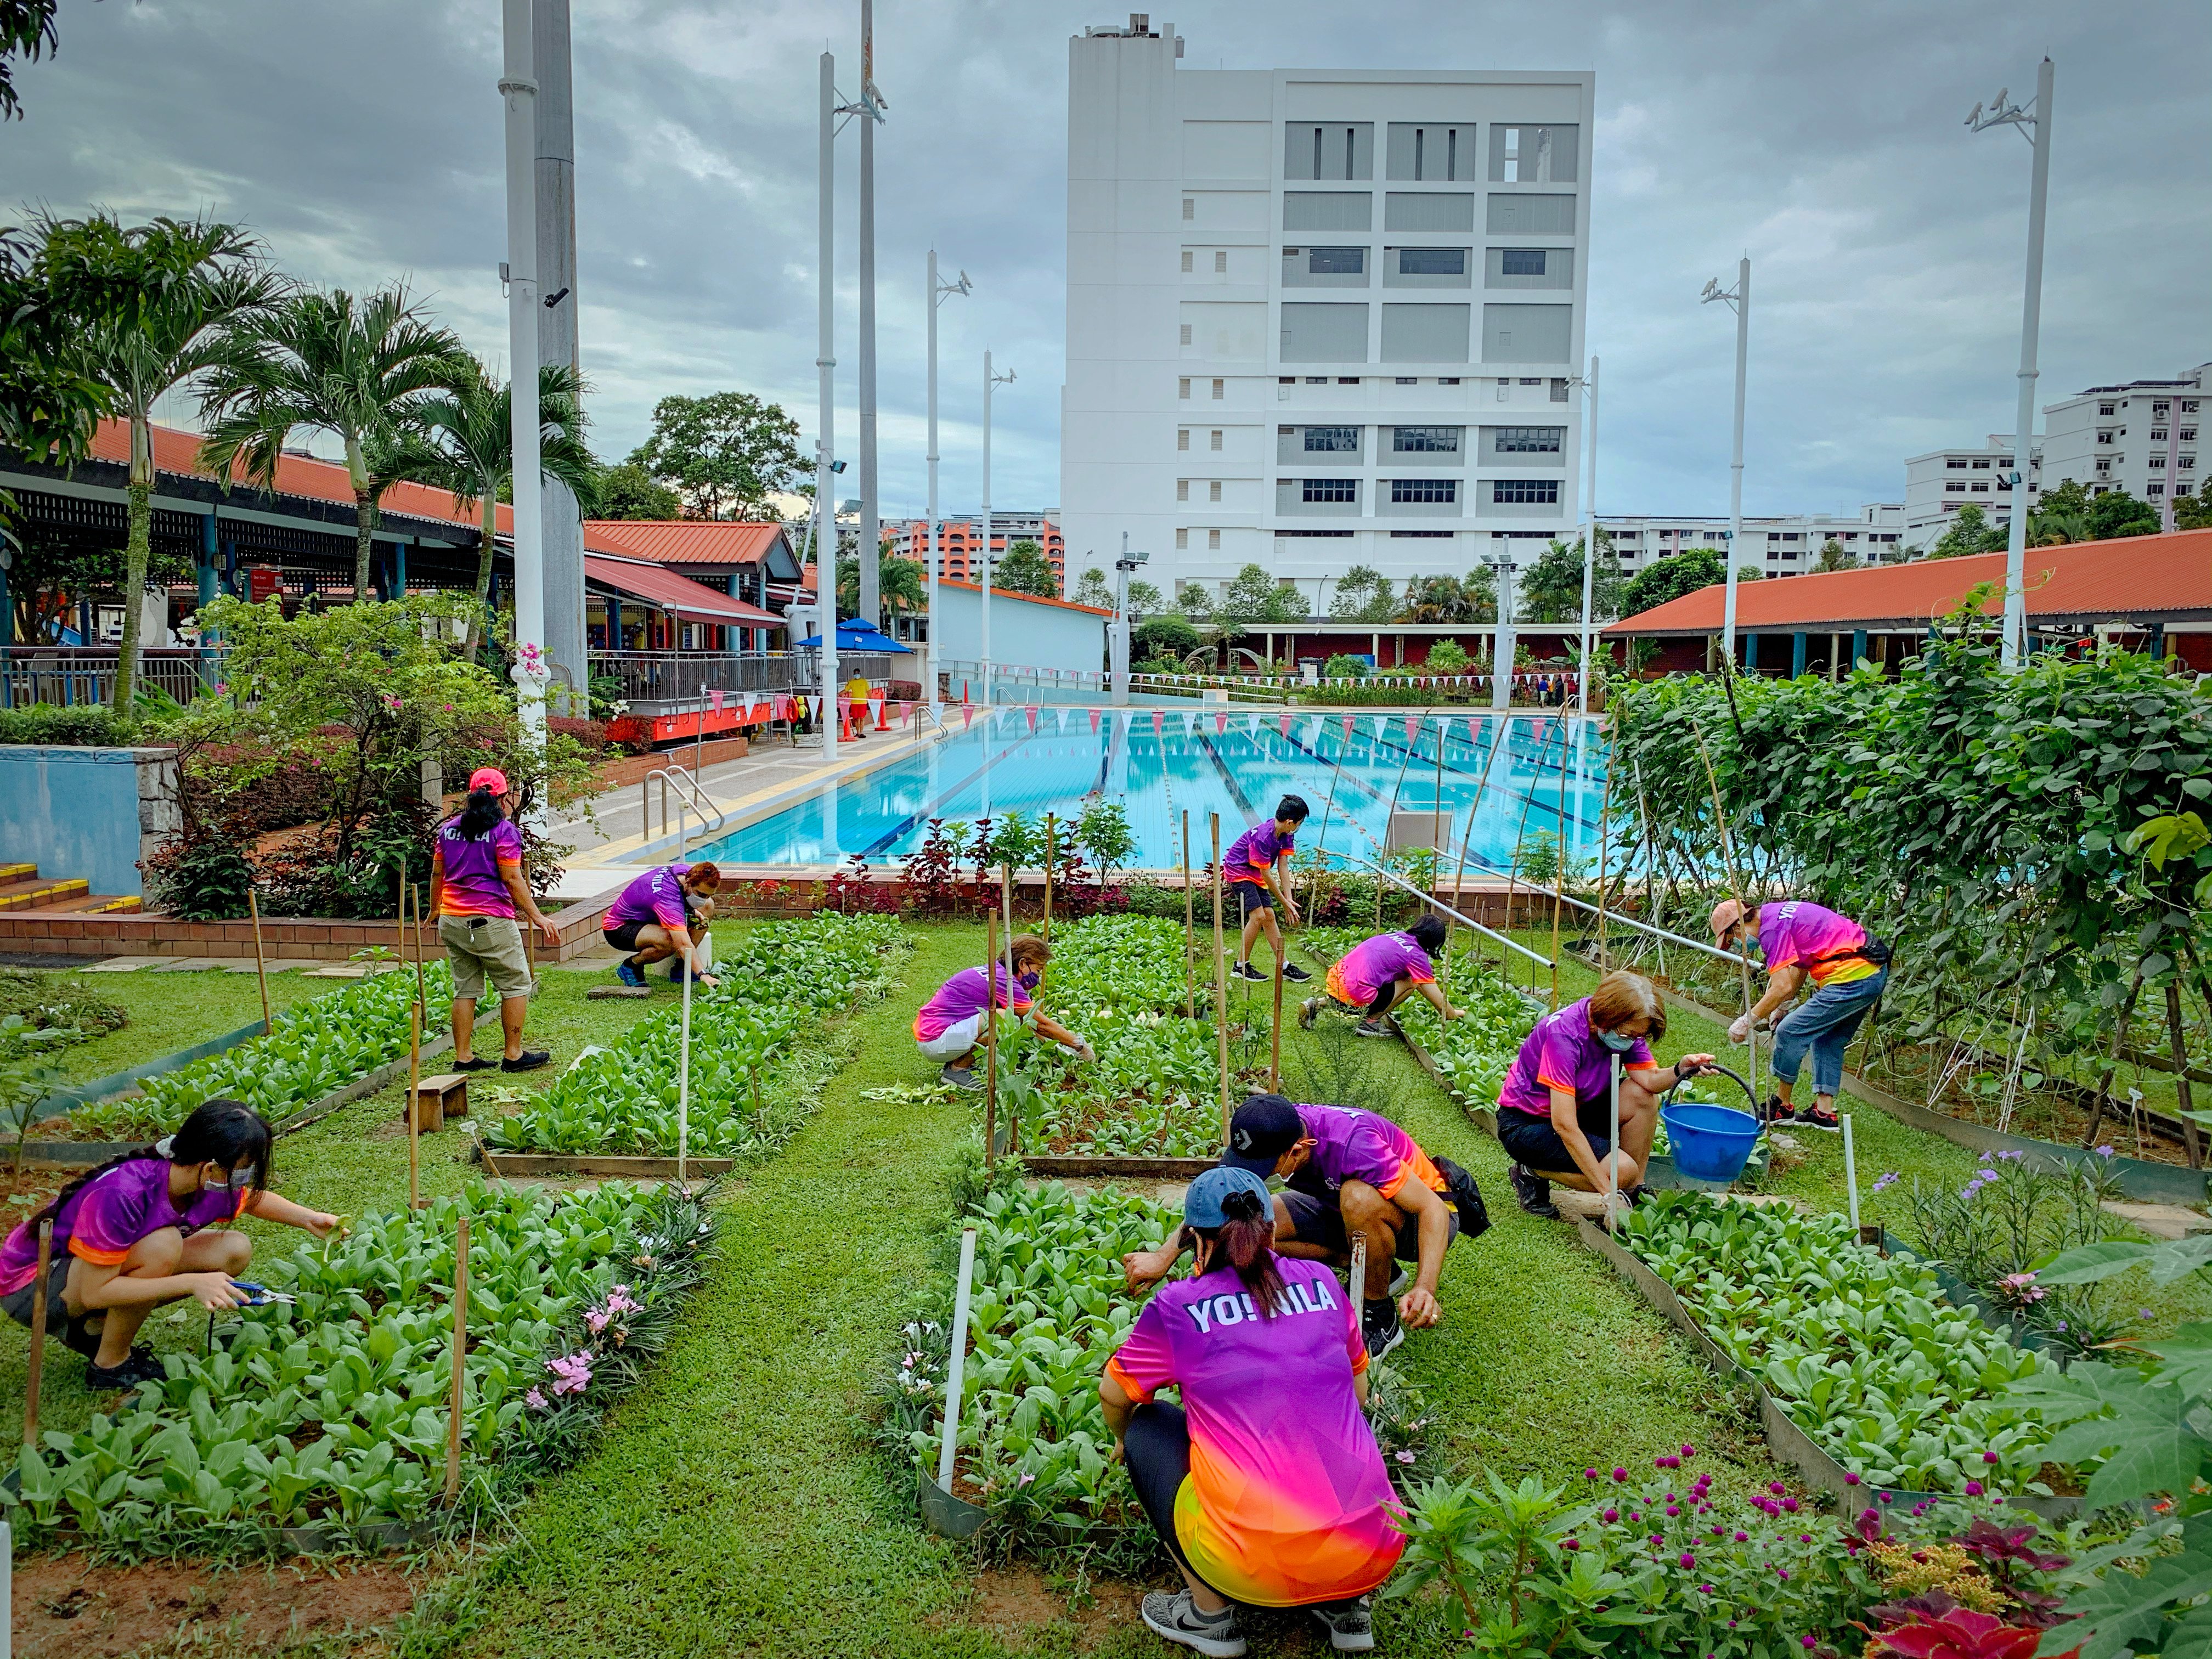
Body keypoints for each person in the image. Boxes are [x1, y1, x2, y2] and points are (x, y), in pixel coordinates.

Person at [1102, 1166, 1404, 1657]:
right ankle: (1349, 1608)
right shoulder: (1325, 1282)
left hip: (1248, 1564)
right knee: (1332, 1432)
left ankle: (1209, 1618)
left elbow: (1115, 1396)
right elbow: (1360, 1393)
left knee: (1147, 1426)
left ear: (1197, 1241)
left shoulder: (1180, 1306)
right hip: (1371, 1550)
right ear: (1269, 1229)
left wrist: (1121, 1437)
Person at [0, 1100, 338, 1391]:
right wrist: (193, 1283)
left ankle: (94, 1328)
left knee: (233, 1248)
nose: (244, 1180)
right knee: (162, 1245)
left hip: (86, 1275)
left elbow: (252, 1201)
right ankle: (110, 1365)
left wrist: (309, 1219)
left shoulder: (200, 1180)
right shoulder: (123, 1192)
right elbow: (93, 1292)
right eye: (243, 1171)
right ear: (210, 1168)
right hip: (34, 1289)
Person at [1125, 1093, 1486, 1361]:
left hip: (1425, 1219)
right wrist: (1163, 1257)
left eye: (1265, 1165)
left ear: (1298, 1150)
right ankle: (1379, 1268)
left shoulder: (1353, 1145)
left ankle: (1380, 1313)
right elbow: (1219, 1199)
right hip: (1344, 1208)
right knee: (1258, 1229)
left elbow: (1433, 1210)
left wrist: (1426, 1287)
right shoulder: (1273, 1126)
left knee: (1358, 1198)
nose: (1258, 1173)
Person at [1496, 971, 1716, 1221]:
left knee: (1641, 1096)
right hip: (1529, 1124)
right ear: (1607, 1020)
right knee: (1619, 1172)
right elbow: (1564, 1125)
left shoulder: (1627, 1027)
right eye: (1628, 1036)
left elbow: (1650, 1080)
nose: (1632, 1041)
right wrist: (1609, 1194)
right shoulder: (1564, 1036)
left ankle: (1635, 1190)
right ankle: (1531, 1170)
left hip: (1582, 1108)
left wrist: (1681, 1069)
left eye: (1638, 1037)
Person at [1710, 897, 1891, 1132]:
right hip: (1871, 972)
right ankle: (1824, 1114)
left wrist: (1748, 1020)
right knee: (1830, 1038)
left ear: (1737, 927)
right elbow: (1800, 963)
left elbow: (1781, 986)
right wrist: (1783, 1006)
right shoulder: (1776, 914)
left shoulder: (1771, 930)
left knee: (1790, 1031)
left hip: (1852, 977)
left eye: (1731, 940)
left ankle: (1782, 1107)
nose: (1736, 946)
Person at [430, 766, 561, 1074]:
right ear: (502, 798)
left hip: (451, 918)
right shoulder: (504, 832)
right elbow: (512, 878)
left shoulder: (448, 830)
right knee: (516, 984)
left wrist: (435, 908)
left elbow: (438, 873)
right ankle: (513, 1055)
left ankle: (464, 1057)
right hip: (490, 920)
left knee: (465, 989)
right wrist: (537, 915)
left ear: (470, 793)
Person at [913, 933, 1094, 1090]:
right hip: (936, 1041)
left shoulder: (996, 971)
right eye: (1038, 969)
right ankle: (957, 1071)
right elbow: (1040, 1024)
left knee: (1006, 1017)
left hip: (936, 1035)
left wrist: (1057, 1050)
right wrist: (1078, 1045)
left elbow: (1031, 1025)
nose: (1038, 976)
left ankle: (955, 1063)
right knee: (1003, 1019)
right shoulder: (1005, 982)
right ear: (1023, 964)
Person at [1299, 915, 1462, 1038]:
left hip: (1335, 983)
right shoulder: (1416, 955)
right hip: (1355, 996)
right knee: (1412, 983)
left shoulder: (1397, 936)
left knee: (1362, 983)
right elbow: (1438, 1000)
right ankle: (1369, 1023)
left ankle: (1318, 1004)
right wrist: (1454, 1015)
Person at [1223, 795, 1312, 985]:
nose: (1299, 826)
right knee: (1258, 916)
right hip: (1239, 870)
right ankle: (1240, 967)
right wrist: (1284, 902)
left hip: (1254, 871)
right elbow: (1267, 875)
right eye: (1299, 823)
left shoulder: (1286, 833)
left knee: (1269, 916)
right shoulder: (1264, 837)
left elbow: (1283, 865)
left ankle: (1285, 966)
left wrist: (1289, 898)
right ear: (1290, 822)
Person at [603, 861, 722, 991]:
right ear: (689, 883)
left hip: (646, 917)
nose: (703, 899)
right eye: (701, 894)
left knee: (708, 905)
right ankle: (631, 965)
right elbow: (683, 944)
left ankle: (682, 968)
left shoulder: (684, 872)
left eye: (709, 894)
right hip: (619, 928)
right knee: (671, 941)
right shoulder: (667, 898)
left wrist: (692, 910)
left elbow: (683, 897)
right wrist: (703, 974)